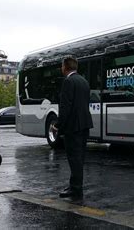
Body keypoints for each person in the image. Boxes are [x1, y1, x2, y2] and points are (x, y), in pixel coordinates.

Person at [52, 56, 93, 198]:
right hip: (84, 124)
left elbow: (66, 106)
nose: (61, 69)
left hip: (73, 126)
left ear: (65, 67)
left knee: (73, 158)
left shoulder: (68, 82)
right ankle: (76, 185)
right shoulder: (84, 81)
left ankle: (75, 188)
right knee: (79, 157)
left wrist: (58, 124)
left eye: (62, 66)